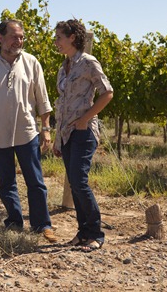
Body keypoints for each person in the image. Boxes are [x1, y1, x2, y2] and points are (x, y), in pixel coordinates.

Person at [0, 19, 57, 243]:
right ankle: (14, 222)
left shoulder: (31, 62)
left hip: (26, 132)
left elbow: (42, 99)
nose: (19, 41)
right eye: (14, 36)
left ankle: (42, 225)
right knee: (6, 183)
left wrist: (46, 130)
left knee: (35, 181)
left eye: (21, 37)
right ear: (1, 37)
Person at [52, 19, 113, 252]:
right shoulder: (63, 67)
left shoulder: (88, 63)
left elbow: (107, 93)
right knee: (75, 184)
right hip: (67, 133)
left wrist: (86, 118)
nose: (56, 42)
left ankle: (96, 233)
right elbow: (63, 105)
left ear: (72, 39)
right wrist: (58, 139)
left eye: (59, 37)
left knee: (79, 181)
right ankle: (83, 232)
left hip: (84, 132)